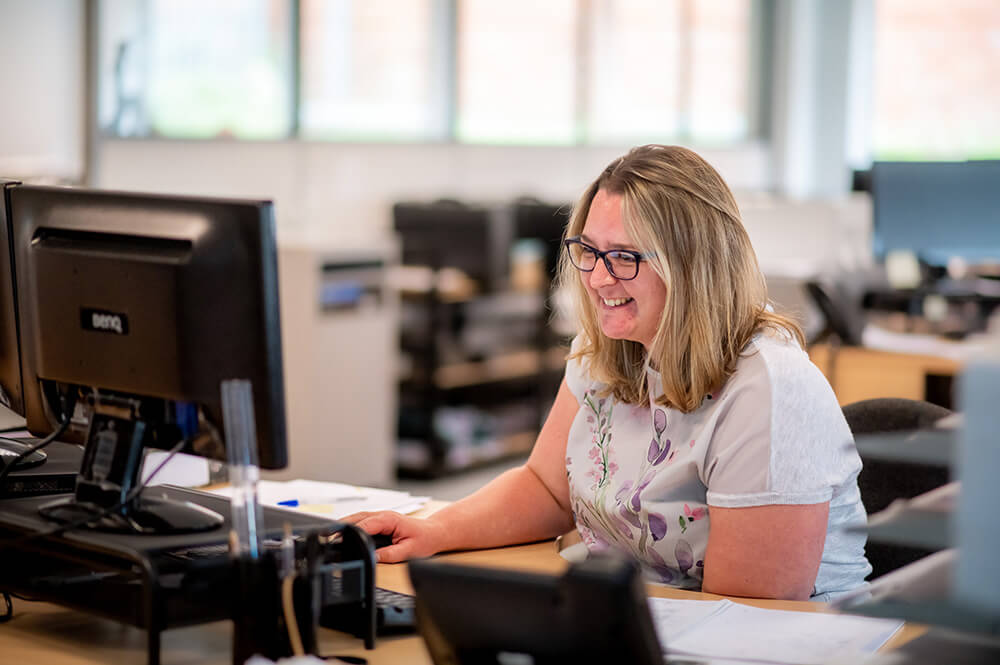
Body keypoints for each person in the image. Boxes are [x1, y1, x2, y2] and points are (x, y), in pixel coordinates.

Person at [348, 145, 871, 601]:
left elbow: (746, 617)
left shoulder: (769, 390)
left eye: (623, 256)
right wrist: (434, 530)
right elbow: (545, 489)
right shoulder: (605, 350)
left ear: (693, 265)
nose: (598, 278)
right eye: (589, 251)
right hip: (641, 624)